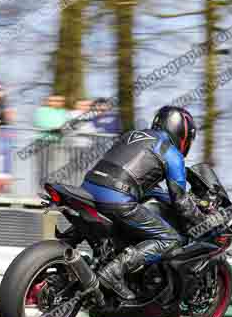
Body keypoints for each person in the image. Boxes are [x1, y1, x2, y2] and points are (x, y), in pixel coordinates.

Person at [80, 106, 205, 300]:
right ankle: (114, 272)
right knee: (171, 239)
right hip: (116, 198)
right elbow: (180, 201)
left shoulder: (133, 135)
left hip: (88, 187)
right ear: (182, 132)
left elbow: (145, 183)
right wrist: (201, 222)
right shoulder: (171, 153)